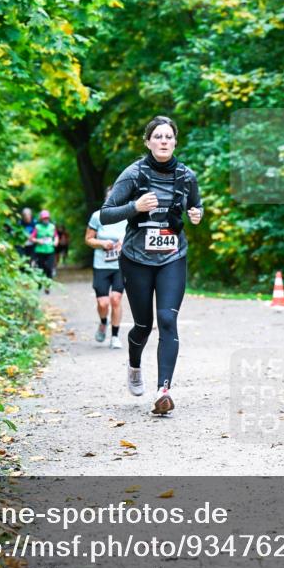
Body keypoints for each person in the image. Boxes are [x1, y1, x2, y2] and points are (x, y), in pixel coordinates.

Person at [100, 115, 203, 415]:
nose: (163, 141)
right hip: (137, 259)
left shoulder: (186, 175)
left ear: (175, 141)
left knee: (168, 320)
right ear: (147, 141)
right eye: (157, 137)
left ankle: (163, 390)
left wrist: (197, 214)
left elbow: (195, 205)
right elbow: (105, 214)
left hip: (173, 256)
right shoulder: (133, 174)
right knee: (143, 326)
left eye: (168, 137)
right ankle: (134, 366)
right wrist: (135, 206)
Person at [86, 192, 127, 349]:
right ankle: (104, 322)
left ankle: (115, 336)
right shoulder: (97, 216)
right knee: (103, 303)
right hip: (101, 265)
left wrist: (125, 242)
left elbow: (136, 236)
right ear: (106, 198)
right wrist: (102, 243)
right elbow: (88, 239)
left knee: (116, 299)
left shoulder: (127, 216)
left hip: (121, 265)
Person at [30, 209, 59, 292]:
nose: (45, 220)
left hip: (50, 250)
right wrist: (38, 241)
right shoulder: (37, 227)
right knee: (40, 268)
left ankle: (47, 286)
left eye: (47, 218)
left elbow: (56, 236)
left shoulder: (52, 226)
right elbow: (31, 238)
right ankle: (39, 284)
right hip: (40, 251)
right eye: (44, 218)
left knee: (49, 268)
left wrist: (56, 242)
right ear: (41, 219)